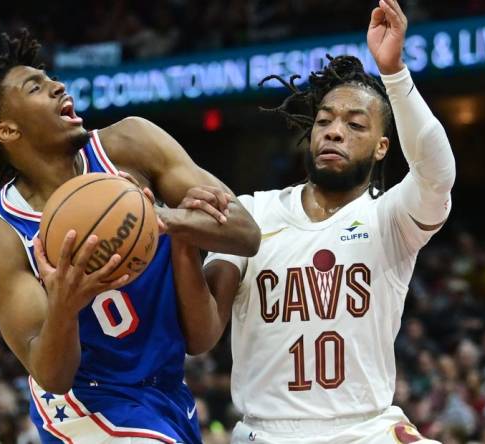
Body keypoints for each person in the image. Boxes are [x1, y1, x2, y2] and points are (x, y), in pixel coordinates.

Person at [0, 29, 260, 443]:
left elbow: (246, 234)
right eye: (35, 87)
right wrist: (64, 303)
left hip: (165, 391)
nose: (58, 85)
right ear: (7, 131)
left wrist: (166, 221)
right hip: (82, 407)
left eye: (50, 78)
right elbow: (52, 375)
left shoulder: (131, 144)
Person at [192, 1, 455, 442]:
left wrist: (394, 72)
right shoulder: (251, 212)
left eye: (355, 125)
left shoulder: (390, 217)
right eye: (325, 121)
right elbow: (201, 332)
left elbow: (437, 172)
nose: (334, 131)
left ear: (382, 148)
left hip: (364, 430)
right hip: (267, 432)